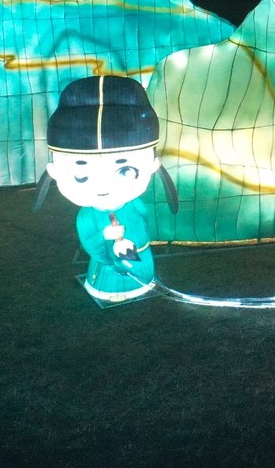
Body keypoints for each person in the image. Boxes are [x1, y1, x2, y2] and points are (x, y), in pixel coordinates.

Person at [34, 75, 179, 304]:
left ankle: (141, 280)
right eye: (81, 175)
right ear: (54, 172)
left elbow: (143, 218)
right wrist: (109, 242)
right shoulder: (88, 216)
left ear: (153, 166)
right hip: (108, 268)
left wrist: (137, 240)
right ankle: (113, 286)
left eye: (125, 171)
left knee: (142, 269)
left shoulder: (132, 203)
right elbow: (90, 241)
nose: (103, 186)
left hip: (142, 254)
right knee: (110, 275)